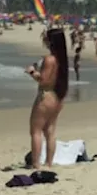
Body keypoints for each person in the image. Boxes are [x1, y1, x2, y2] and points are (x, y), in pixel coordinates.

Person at [27, 27, 69, 172]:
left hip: (46, 95)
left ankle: (36, 163)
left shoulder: (49, 59)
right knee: (50, 131)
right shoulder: (61, 60)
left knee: (36, 130)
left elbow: (44, 81)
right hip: (57, 96)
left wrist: (32, 72)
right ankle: (49, 162)